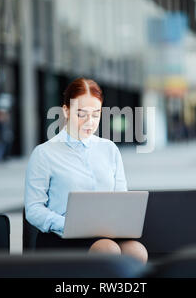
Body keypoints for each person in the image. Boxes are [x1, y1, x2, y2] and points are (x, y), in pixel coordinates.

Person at [24, 78, 148, 264]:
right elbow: (33, 209)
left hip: (105, 233)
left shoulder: (109, 149)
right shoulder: (44, 153)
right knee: (108, 250)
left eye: (96, 115)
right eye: (81, 114)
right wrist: (67, 224)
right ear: (66, 110)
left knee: (137, 251)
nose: (89, 122)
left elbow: (121, 198)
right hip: (61, 236)